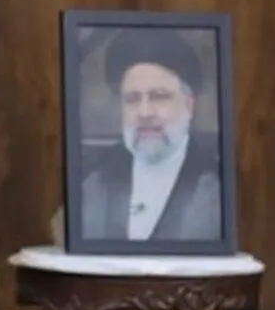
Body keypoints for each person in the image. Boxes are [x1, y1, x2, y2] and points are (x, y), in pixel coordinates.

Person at [79, 28, 222, 241]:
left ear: (189, 105)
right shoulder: (93, 181)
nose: (144, 113)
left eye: (159, 97)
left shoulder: (216, 185)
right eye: (132, 99)